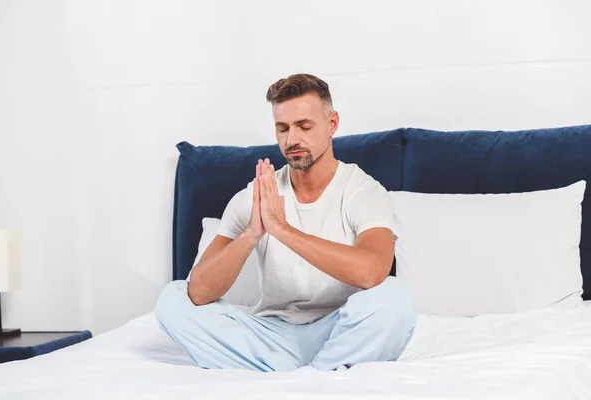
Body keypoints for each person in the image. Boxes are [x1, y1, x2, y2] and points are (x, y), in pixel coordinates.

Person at [155, 73, 417, 372]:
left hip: (342, 330)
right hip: (270, 336)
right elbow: (199, 292)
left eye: (305, 126)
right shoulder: (254, 196)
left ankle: (293, 377)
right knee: (172, 299)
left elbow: (372, 273)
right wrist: (252, 233)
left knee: (397, 298)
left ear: (332, 124)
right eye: (283, 128)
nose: (292, 140)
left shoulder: (363, 192)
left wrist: (282, 229)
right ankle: (319, 377)